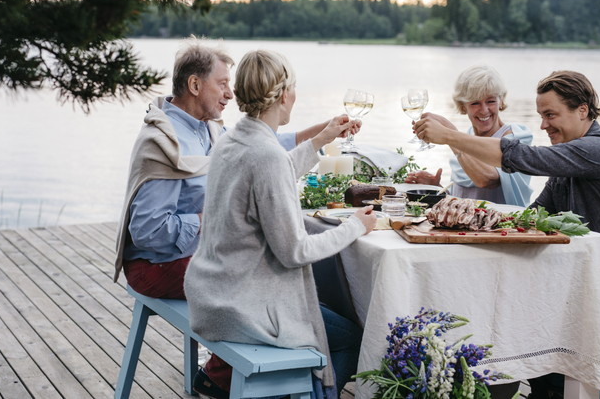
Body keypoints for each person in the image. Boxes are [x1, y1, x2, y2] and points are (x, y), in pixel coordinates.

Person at [112, 40, 360, 398]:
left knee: (299, 284)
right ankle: (244, 378)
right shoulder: (166, 139)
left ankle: (225, 377)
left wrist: (322, 136)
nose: (229, 94)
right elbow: (149, 232)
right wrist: (214, 218)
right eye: (222, 83)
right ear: (195, 85)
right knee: (302, 291)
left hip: (206, 266)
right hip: (161, 265)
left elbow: (268, 152)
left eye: (232, 84)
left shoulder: (214, 133)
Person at [414, 70, 600, 399]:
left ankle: (541, 392)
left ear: (582, 110)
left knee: (537, 312)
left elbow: (525, 157)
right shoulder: (568, 167)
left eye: (551, 115)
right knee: (507, 300)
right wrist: (454, 212)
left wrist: (451, 137)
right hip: (585, 277)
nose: (543, 125)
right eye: (542, 116)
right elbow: (532, 217)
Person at [184, 49, 377, 399]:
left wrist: (321, 140)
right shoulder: (265, 154)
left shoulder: (233, 139)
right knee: (352, 340)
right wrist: (354, 228)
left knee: (329, 319)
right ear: (285, 94)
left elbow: (274, 173)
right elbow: (295, 252)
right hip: (241, 305)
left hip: (212, 289)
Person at [405, 65, 533, 206]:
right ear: (462, 106)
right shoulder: (466, 137)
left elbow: (487, 180)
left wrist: (449, 133)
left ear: (501, 101)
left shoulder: (516, 137)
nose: (484, 110)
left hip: (501, 226)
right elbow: (463, 200)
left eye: (490, 101)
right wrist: (437, 188)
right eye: (475, 103)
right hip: (467, 226)